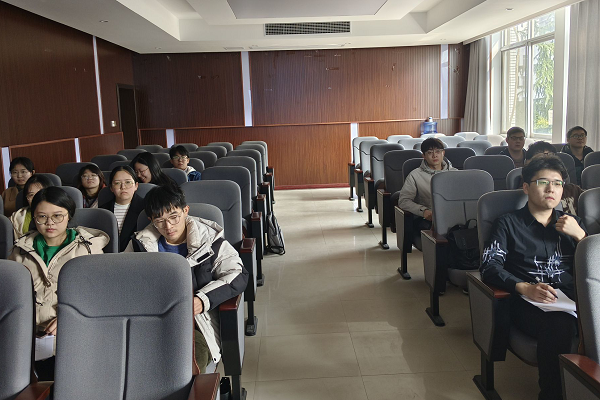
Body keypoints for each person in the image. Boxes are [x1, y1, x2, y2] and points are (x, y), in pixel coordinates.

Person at [480, 155, 587, 400]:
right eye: (543, 182)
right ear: (526, 187)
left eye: (557, 183)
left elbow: (595, 268)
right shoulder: (507, 224)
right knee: (559, 325)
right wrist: (524, 287)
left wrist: (581, 237)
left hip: (575, 300)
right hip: (529, 303)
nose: (551, 189)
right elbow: (489, 266)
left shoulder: (574, 224)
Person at [125, 185, 248, 373]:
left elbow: (237, 274)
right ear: (151, 220)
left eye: (174, 217)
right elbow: (123, 282)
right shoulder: (140, 244)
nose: (168, 226)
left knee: (183, 366)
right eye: (159, 221)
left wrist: (202, 300)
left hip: (194, 323)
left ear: (185, 210)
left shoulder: (210, 240)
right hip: (150, 322)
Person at [9, 186, 109, 380]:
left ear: (69, 215)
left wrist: (70, 316)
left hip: (74, 334)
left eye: (57, 216)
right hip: (27, 336)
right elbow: (10, 294)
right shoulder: (20, 250)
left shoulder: (88, 249)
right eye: (42, 217)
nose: (49, 223)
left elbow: (101, 296)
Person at [398, 138, 456, 233]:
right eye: (430, 153)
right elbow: (404, 201)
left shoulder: (455, 173)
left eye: (438, 151)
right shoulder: (415, 175)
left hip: (454, 217)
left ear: (443, 153)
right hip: (429, 219)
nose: (434, 155)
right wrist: (423, 211)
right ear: (424, 156)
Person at [525, 142, 584, 215]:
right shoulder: (529, 190)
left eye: (551, 157)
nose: (551, 189)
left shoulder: (573, 190)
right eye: (543, 182)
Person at [99, 166, 145, 252]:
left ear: (136, 186)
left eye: (128, 182)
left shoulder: (145, 209)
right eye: (117, 183)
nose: (123, 187)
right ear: (111, 188)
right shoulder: (102, 211)